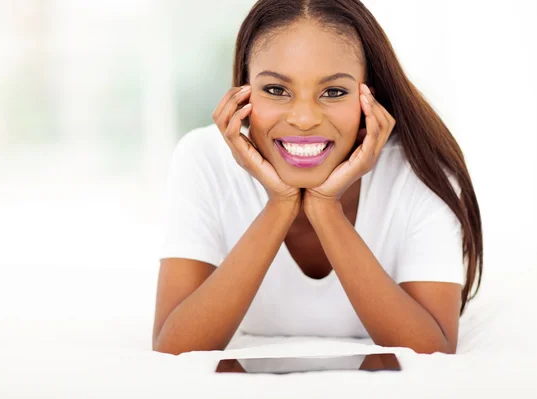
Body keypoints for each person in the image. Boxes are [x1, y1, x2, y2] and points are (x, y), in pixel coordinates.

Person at [152, 0, 483, 356]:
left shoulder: (419, 171)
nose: (305, 118)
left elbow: (433, 349)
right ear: (243, 95)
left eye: (334, 92)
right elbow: (174, 347)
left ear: (368, 98)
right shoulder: (203, 159)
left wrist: (325, 208)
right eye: (276, 90)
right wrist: (280, 204)